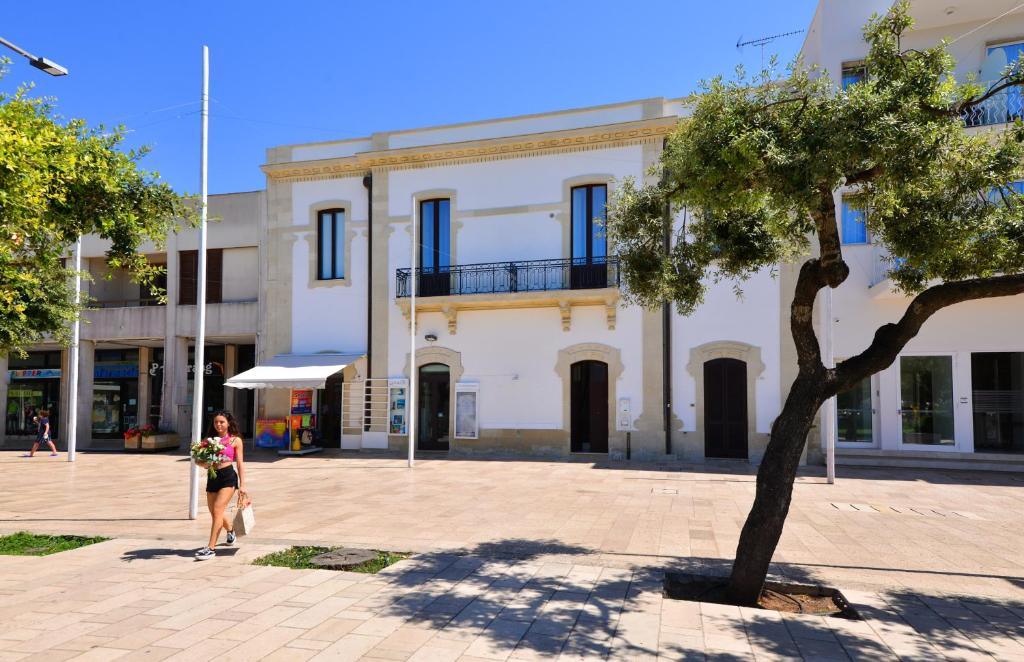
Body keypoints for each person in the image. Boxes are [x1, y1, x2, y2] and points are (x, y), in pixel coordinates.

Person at [194, 410, 246, 560]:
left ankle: (210, 548)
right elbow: (198, 461)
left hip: (228, 477)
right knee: (215, 512)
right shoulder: (208, 441)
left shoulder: (235, 440)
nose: (218, 425)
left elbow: (240, 464)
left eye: (222, 422)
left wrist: (243, 485)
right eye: (216, 422)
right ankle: (230, 531)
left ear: (228, 423)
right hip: (212, 476)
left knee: (217, 509)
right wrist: (205, 462)